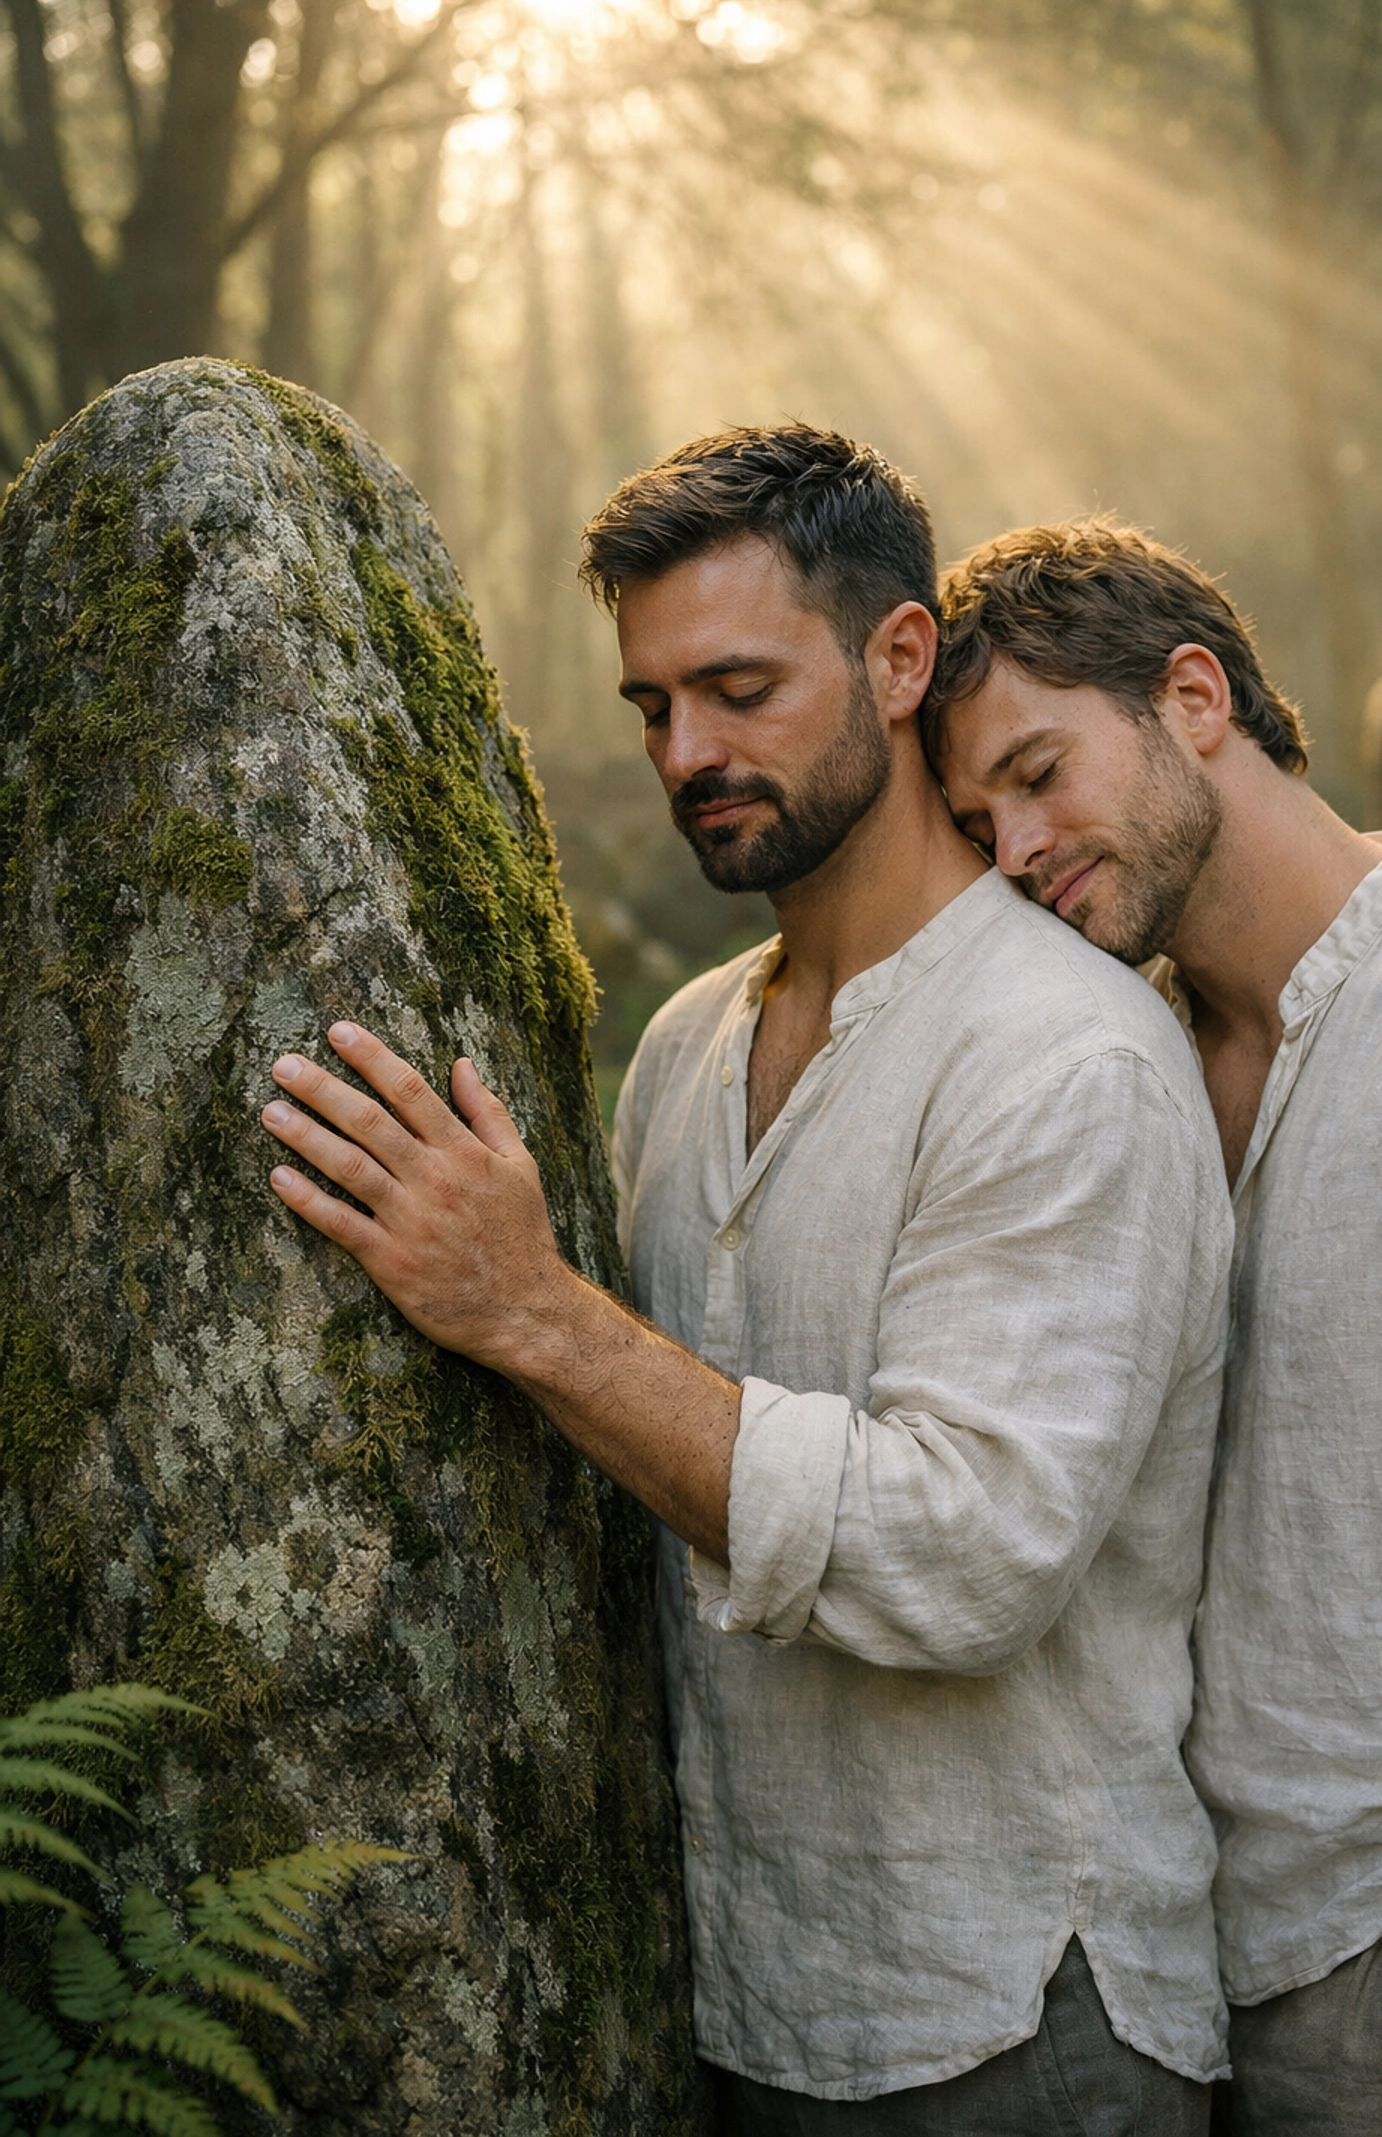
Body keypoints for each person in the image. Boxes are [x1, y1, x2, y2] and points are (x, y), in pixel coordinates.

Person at [260, 430, 1232, 2134]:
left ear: (900, 658)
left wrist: (534, 1309)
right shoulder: (690, 1047)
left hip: (1016, 2017)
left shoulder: (1067, 1055)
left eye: (736, 688)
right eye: (651, 708)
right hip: (742, 1998)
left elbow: (964, 1555)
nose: (688, 754)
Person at [926, 513, 1382, 2137]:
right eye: (978, 818)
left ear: (1195, 698)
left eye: (1040, 773)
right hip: (1187, 1970)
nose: (1014, 851)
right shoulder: (1124, 1065)